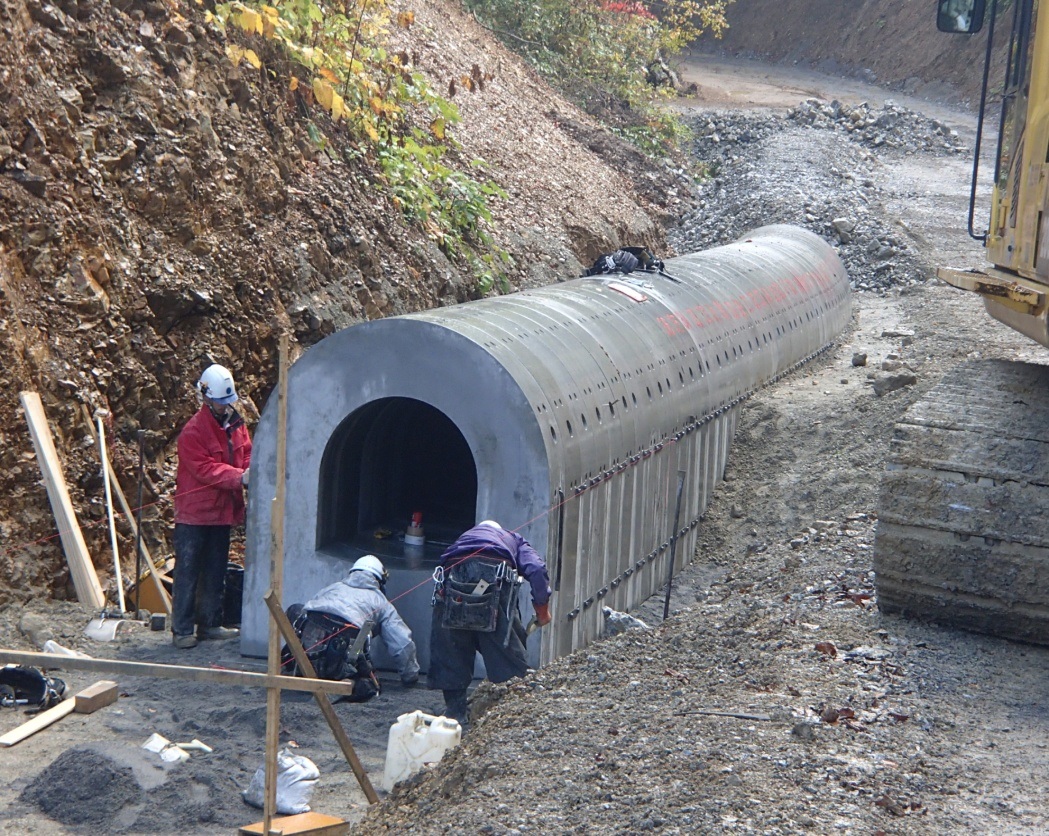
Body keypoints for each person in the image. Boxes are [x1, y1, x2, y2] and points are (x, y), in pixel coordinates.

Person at [428, 520, 552, 726]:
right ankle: (512, 714)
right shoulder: (514, 539)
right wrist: (542, 611)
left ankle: (455, 712)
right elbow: (537, 570)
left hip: (453, 578)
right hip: (495, 576)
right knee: (507, 645)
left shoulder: (465, 539)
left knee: (451, 644)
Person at [171, 363, 251, 649]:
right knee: (188, 571)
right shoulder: (193, 432)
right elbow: (205, 469)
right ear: (205, 398)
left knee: (216, 570)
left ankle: (209, 624)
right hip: (194, 515)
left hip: (222, 512)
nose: (223, 407)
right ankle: (182, 630)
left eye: (226, 402)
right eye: (219, 402)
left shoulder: (236, 425)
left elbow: (247, 454)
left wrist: (251, 471)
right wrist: (239, 477)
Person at [282, 555, 420, 702]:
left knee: (296, 609)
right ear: (380, 581)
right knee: (370, 686)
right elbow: (402, 644)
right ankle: (346, 686)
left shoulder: (333, 588)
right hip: (340, 664)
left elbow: (306, 613)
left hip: (307, 656)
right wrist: (410, 676)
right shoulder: (381, 602)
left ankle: (289, 665)